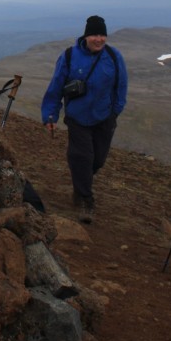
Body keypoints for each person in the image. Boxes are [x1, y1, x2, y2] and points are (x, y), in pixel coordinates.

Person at [40, 15, 128, 223]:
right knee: (83, 157)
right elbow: (56, 87)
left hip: (104, 118)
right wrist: (50, 115)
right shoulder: (70, 57)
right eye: (94, 34)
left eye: (102, 34)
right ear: (86, 36)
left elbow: (121, 86)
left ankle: (81, 184)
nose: (99, 39)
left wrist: (115, 111)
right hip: (78, 118)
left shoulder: (114, 57)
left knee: (97, 160)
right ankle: (85, 199)